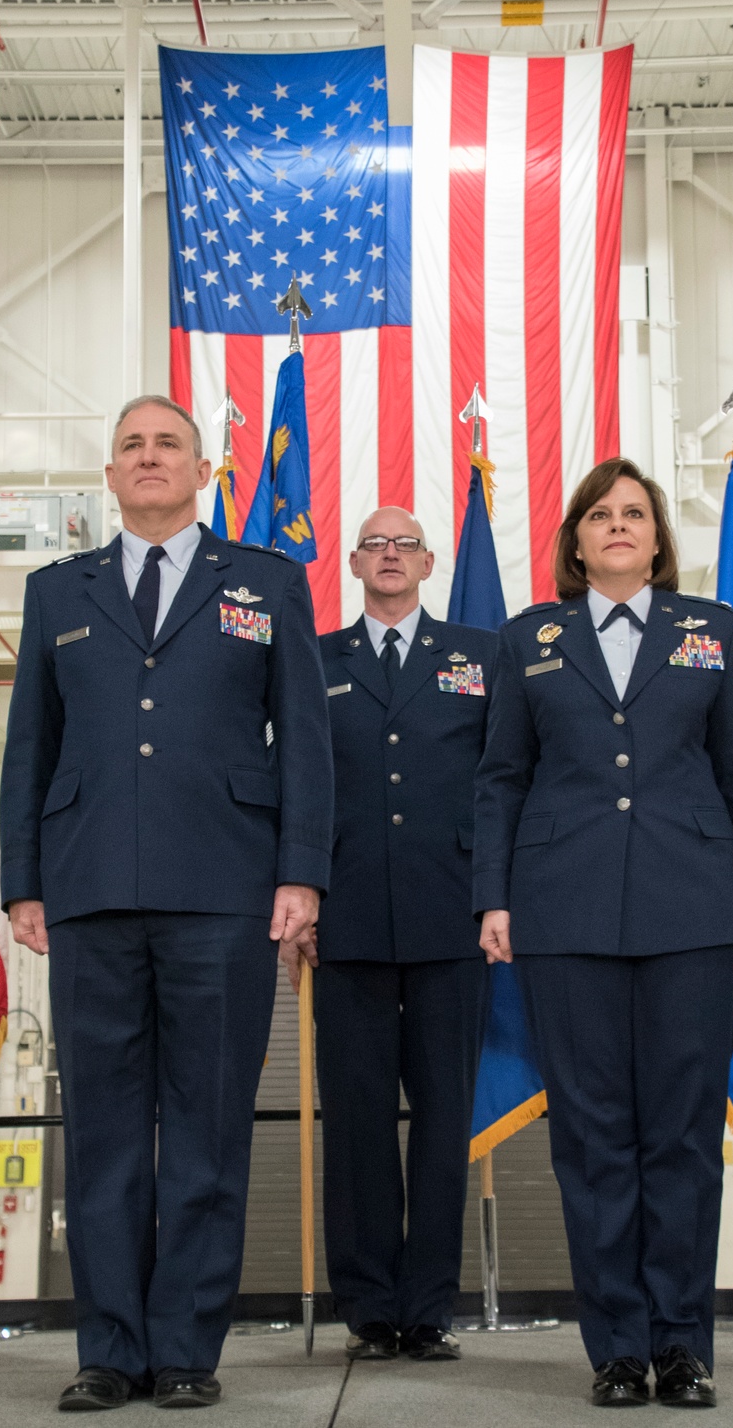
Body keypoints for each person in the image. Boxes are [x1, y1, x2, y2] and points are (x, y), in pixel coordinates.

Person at [0, 395, 333, 1413]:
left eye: (167, 445)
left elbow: (305, 742)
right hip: (91, 889)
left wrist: (300, 872)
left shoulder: (269, 583)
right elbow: (31, 752)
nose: (149, 459)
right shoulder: (59, 592)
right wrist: (23, 882)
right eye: (131, 447)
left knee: (207, 1126)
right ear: (110, 478)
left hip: (225, 892)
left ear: (203, 471)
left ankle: (186, 1348)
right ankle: (108, 1350)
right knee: (101, 1132)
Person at [473, 458, 733, 1410]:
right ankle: (617, 1349)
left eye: (635, 514)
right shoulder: (528, 639)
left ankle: (684, 1347)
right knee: (594, 1137)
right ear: (575, 540)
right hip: (562, 909)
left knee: (683, 1139)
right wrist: (495, 897)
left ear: (658, 539)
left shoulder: (714, 633)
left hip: (695, 907)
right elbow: (500, 779)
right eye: (600, 515)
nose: (618, 526)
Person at [283, 507, 493, 1363]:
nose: (391, 555)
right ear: (354, 563)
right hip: (349, 922)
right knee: (359, 1124)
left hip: (454, 919)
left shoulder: (480, 660)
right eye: (375, 543)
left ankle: (431, 1307)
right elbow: (294, 778)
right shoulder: (314, 658)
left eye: (405, 543)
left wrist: (498, 897)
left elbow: (504, 780)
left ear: (431, 561)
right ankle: (370, 1306)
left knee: (446, 1121)